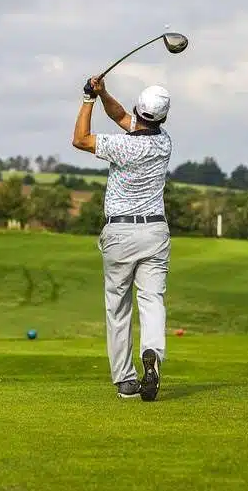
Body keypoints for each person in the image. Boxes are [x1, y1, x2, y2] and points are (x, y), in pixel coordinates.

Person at [71, 75, 173, 401]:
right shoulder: (164, 142)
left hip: (120, 234)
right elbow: (120, 117)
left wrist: (88, 99)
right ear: (162, 118)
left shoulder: (123, 145)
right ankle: (153, 352)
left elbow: (81, 139)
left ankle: (126, 381)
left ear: (138, 111)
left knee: (118, 308)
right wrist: (103, 94)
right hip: (155, 232)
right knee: (152, 299)